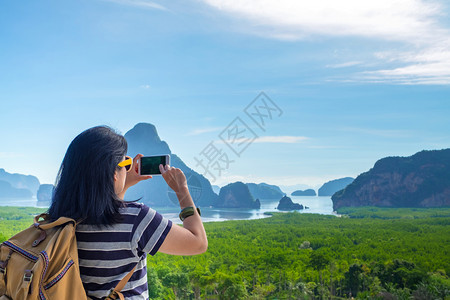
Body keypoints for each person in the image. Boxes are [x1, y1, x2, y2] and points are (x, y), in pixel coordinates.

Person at [47, 125, 207, 300]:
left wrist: (123, 183)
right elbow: (198, 243)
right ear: (113, 173)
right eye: (125, 163)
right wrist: (182, 191)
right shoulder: (137, 219)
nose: (129, 167)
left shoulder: (58, 219)